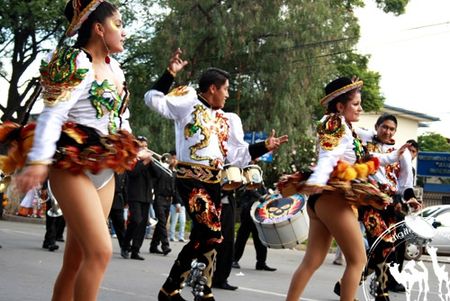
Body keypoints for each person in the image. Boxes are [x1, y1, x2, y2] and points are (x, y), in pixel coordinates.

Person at [6, 1, 139, 300]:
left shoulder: (115, 69)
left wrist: (132, 143)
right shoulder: (75, 61)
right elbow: (53, 113)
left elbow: (120, 117)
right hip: (71, 165)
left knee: (75, 261)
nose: (124, 32)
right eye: (118, 24)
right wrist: (39, 160)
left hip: (103, 169)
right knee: (101, 252)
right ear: (99, 28)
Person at [144, 49, 288, 301]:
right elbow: (152, 99)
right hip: (191, 180)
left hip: (214, 182)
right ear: (213, 88)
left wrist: (265, 145)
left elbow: (238, 155)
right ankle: (187, 289)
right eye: (226, 89)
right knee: (212, 234)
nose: (228, 94)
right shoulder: (187, 103)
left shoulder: (227, 119)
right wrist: (170, 74)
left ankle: (182, 289)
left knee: (207, 236)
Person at [285, 77, 408, 301]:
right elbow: (328, 156)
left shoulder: (346, 129)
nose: (360, 108)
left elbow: (365, 158)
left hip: (325, 199)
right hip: (332, 198)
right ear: (340, 106)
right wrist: (319, 179)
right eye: (356, 104)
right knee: (358, 261)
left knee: (312, 260)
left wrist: (392, 156)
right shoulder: (333, 123)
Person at [355, 114, 422, 300]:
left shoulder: (403, 153)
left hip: (390, 205)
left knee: (384, 249)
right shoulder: (363, 140)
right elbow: (346, 129)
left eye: (392, 129)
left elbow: (405, 183)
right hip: (368, 203)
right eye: (384, 127)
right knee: (384, 246)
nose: (387, 131)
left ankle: (348, 283)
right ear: (376, 126)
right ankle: (381, 293)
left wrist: (411, 199)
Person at [122, 136, 157, 260]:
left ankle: (135, 250)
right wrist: (143, 162)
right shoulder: (131, 158)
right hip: (135, 195)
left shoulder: (149, 161)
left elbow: (157, 175)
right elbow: (132, 173)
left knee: (142, 224)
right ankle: (126, 245)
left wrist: (151, 162)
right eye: (141, 146)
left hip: (146, 196)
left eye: (145, 146)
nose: (144, 148)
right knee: (135, 220)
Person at [232, 186, 276, 272]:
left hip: (258, 212)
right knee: (242, 238)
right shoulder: (250, 174)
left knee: (260, 238)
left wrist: (269, 195)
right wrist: (260, 197)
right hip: (248, 211)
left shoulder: (260, 176)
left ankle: (261, 263)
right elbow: (249, 188)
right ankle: (234, 260)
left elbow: (263, 190)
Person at [150, 151, 179, 256]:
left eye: (176, 159)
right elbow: (154, 172)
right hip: (159, 198)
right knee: (162, 222)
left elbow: (174, 188)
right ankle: (165, 246)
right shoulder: (161, 169)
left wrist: (177, 202)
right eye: (173, 158)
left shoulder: (174, 172)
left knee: (161, 223)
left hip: (168, 200)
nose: (175, 161)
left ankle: (153, 245)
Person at [212, 189, 238, 290]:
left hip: (228, 205)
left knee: (227, 243)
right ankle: (196, 275)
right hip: (212, 205)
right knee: (209, 241)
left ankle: (221, 279)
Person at [168, 151, 187, 243]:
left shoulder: (179, 173)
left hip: (183, 201)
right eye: (174, 158)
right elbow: (175, 190)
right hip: (176, 202)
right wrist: (177, 203)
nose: (175, 160)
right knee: (174, 221)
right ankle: (171, 236)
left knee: (183, 221)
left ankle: (181, 236)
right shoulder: (173, 173)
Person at [109, 172, 128, 252]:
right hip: (105, 196)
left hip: (118, 199)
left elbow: (125, 187)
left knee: (120, 224)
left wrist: (126, 201)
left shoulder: (124, 171)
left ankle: (124, 247)